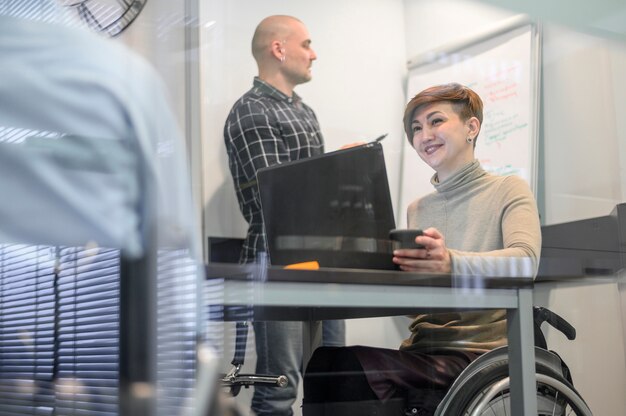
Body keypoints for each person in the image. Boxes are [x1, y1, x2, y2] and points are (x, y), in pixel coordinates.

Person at [302, 83, 541, 415]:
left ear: (472, 127)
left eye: (436, 121)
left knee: (347, 368)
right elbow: (418, 308)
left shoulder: (508, 189)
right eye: (416, 128)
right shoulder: (418, 208)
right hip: (423, 349)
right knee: (322, 362)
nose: (424, 135)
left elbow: (526, 262)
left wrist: (449, 263)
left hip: (479, 353)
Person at [223, 15, 345, 416]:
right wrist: (339, 173)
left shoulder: (304, 111)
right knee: (280, 388)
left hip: (320, 261)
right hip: (277, 262)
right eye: (307, 44)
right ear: (279, 49)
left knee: (331, 380)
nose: (314, 54)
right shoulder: (252, 111)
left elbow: (313, 190)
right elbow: (276, 200)